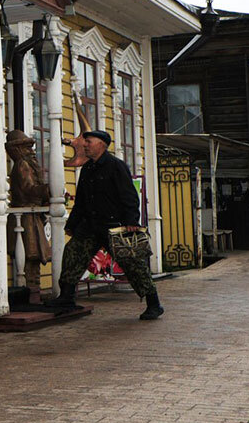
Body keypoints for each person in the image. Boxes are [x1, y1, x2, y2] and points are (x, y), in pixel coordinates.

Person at [47, 130, 163, 320]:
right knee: (72, 254)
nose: (85, 145)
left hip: (114, 227)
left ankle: (154, 304)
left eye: (89, 142)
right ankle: (66, 297)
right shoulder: (87, 168)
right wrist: (72, 224)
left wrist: (131, 222)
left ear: (101, 144)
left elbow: (129, 196)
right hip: (90, 226)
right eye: (85, 142)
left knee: (132, 264)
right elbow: (81, 200)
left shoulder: (116, 166)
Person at [6, 130, 51, 300]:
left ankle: (34, 291)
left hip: (32, 217)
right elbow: (28, 189)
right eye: (27, 147)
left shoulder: (27, 164)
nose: (31, 151)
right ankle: (31, 293)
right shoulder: (22, 165)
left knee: (33, 259)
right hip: (26, 219)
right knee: (29, 257)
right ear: (18, 149)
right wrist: (47, 190)